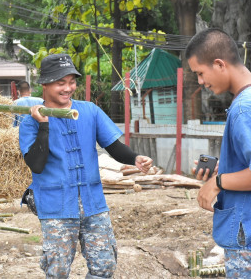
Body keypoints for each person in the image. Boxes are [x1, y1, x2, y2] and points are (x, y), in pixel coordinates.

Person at [19, 53, 153, 278]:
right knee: (57, 269)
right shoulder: (29, 123)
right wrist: (43, 125)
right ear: (44, 84)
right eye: (60, 83)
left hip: (93, 204)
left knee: (104, 265)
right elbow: (36, 164)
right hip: (57, 207)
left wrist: (135, 158)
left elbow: (113, 146)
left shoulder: (89, 110)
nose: (68, 88)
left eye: (71, 82)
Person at [186, 28, 251, 277]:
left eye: (200, 73)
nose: (201, 82)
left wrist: (219, 181)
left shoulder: (244, 109)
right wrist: (222, 167)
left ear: (219, 64)